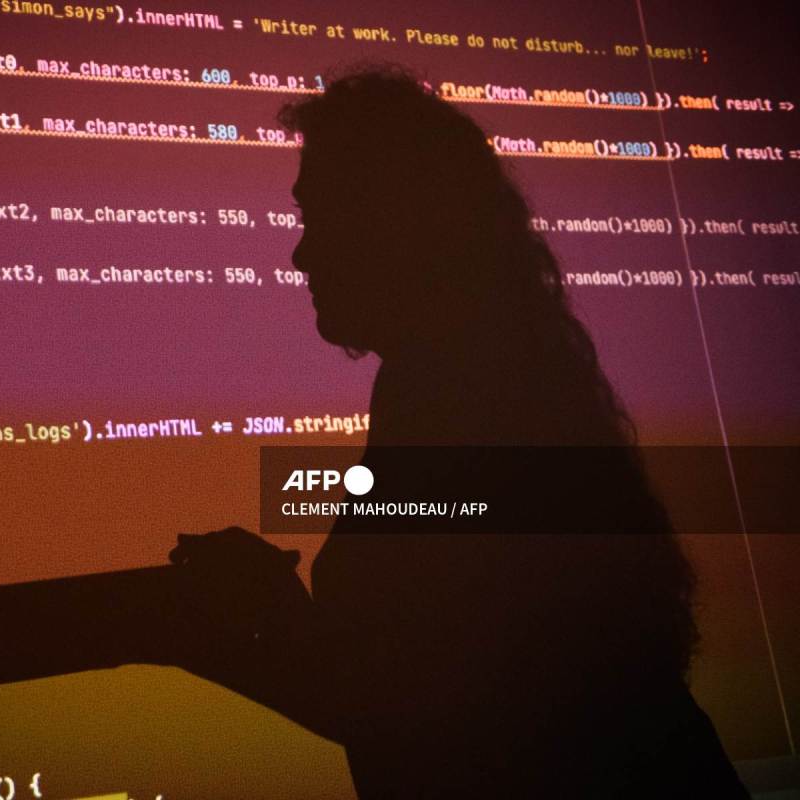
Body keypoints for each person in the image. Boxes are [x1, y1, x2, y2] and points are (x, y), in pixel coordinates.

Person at [165, 66, 750, 798]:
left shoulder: (462, 394)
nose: (301, 254)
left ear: (393, 224)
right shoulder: (467, 376)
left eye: (321, 216)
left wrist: (248, 615)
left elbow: (425, 707)